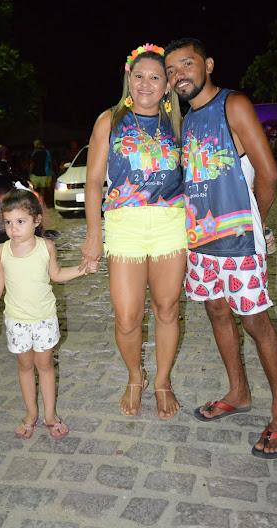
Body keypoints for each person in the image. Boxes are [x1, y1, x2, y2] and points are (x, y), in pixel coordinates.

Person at [164, 38, 277, 459]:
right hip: (202, 242)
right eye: (171, 70)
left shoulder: (232, 105)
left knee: (256, 322)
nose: (178, 75)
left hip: (238, 242)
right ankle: (238, 392)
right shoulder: (186, 120)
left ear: (208, 64)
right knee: (217, 313)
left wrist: (255, 223)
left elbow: (268, 174)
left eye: (186, 64)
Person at [79, 43, 187, 420]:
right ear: (129, 79)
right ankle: (134, 375)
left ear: (167, 86)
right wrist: (94, 234)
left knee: (167, 308)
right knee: (127, 315)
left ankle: (162, 381)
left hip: (170, 224)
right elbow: (94, 182)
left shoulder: (179, 124)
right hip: (124, 225)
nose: (145, 84)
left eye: (155, 77)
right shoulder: (109, 120)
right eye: (139, 76)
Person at [0, 188, 97, 439]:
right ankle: (31, 412)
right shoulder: (1, 251)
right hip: (16, 322)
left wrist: (83, 269)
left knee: (44, 365)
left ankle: (50, 414)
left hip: (44, 319)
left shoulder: (46, 247)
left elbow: (56, 274)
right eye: (8, 222)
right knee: (25, 366)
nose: (14, 229)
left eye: (20, 221)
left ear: (37, 220)